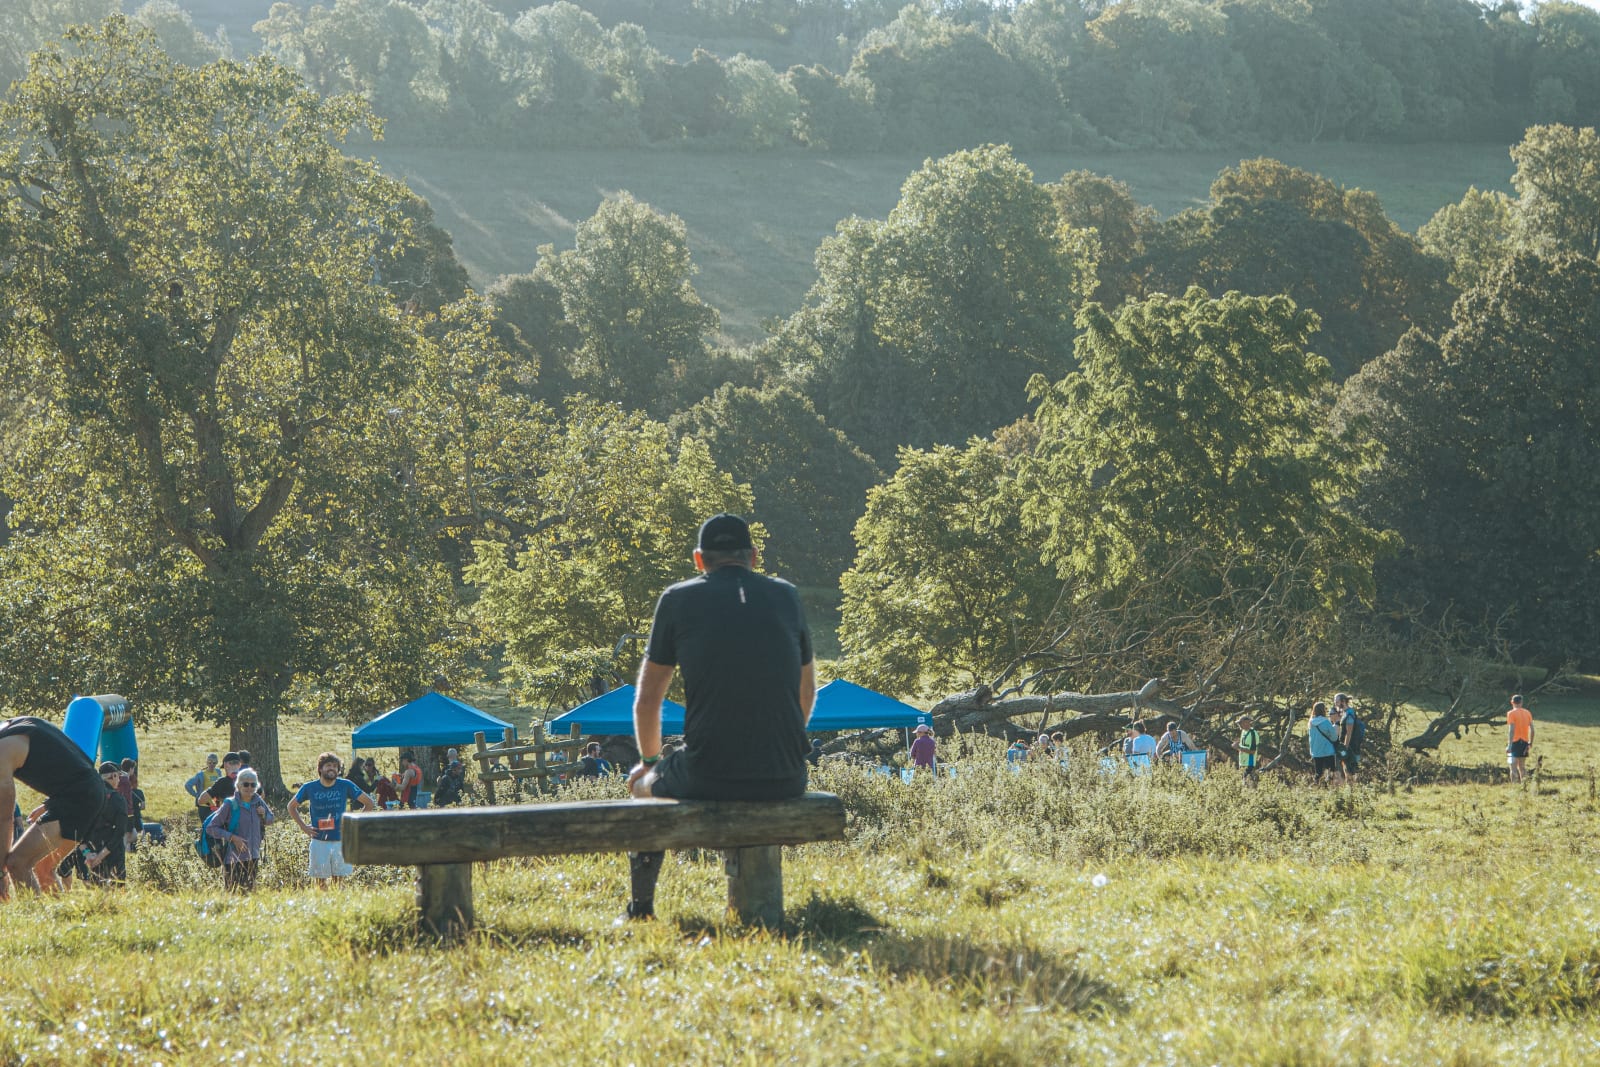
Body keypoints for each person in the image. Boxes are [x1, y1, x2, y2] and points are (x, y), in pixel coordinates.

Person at [624, 513, 815, 921]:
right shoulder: (787, 596)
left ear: (698, 560)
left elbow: (646, 701)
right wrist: (781, 744)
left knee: (642, 785)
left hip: (709, 772)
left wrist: (651, 763)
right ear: (754, 556)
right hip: (787, 776)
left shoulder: (677, 599)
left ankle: (640, 909)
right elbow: (807, 691)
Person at [0, 716, 128, 897]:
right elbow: (66, 765)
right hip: (88, 792)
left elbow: (5, 817)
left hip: (78, 798)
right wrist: (48, 804)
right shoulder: (17, 725)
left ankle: (37, 919)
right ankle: (61, 918)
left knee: (17, 863)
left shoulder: (2, 751)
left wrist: (0, 873)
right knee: (42, 867)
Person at [289, 753, 375, 885]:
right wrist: (304, 827)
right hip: (319, 840)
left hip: (340, 840)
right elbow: (291, 807)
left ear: (339, 770)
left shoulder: (345, 785)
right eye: (328, 765)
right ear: (320, 769)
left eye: (335, 766)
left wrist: (352, 825)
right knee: (320, 881)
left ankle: (337, 903)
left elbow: (369, 803)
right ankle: (323, 903)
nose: (332, 768)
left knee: (339, 881)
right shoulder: (309, 787)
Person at [206, 767, 274, 892]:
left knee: (250, 894)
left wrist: (264, 815)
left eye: (253, 784)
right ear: (238, 785)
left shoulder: (258, 801)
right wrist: (232, 838)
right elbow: (211, 828)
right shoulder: (230, 804)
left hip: (253, 856)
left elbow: (270, 820)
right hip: (233, 859)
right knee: (233, 894)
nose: (249, 788)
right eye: (246, 784)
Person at [1307, 702, 1339, 784]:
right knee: (1331, 772)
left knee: (1318, 773)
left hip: (1316, 751)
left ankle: (1317, 786)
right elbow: (1334, 737)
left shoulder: (1310, 723)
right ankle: (1330, 787)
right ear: (1323, 710)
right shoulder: (1326, 722)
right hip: (1328, 751)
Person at [1333, 694, 1362, 785]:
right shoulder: (1345, 713)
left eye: (1337, 701)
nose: (1335, 703)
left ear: (1343, 702)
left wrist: (1345, 748)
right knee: (1346, 770)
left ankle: (1352, 790)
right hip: (1347, 746)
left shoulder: (1349, 714)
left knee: (1350, 770)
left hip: (1351, 747)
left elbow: (1348, 733)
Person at [1506, 694, 1534, 784]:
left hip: (1515, 742)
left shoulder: (1511, 713)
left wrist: (1509, 745)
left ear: (1512, 702)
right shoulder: (1527, 713)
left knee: (1513, 766)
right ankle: (1524, 785)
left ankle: (1514, 785)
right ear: (1521, 702)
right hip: (1525, 742)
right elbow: (1533, 730)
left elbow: (1511, 730)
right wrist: (1530, 742)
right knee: (1522, 766)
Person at [1235, 715, 1261, 786]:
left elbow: (1252, 751)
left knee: (1249, 785)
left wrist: (1238, 747)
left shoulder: (1253, 734)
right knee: (1244, 785)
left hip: (1249, 764)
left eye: (1240, 723)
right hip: (1242, 763)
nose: (1239, 725)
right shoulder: (1243, 732)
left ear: (1247, 723)